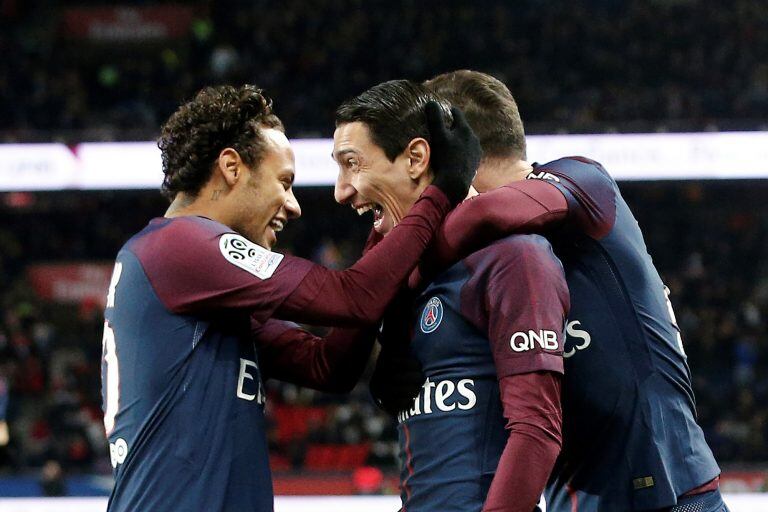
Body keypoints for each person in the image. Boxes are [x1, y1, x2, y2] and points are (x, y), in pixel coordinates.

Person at [100, 84, 479, 512]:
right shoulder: (182, 245)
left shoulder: (202, 287)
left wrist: (382, 242)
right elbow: (352, 297)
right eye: (284, 182)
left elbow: (328, 367)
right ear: (231, 167)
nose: (294, 205)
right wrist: (442, 190)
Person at [382, 69, 725, 512]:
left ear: (454, 150)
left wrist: (400, 264)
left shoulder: (582, 181)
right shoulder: (490, 261)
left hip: (670, 495)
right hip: (575, 499)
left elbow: (485, 214)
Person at [333, 79, 570, 512]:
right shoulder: (407, 280)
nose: (341, 190)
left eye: (353, 164)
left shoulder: (514, 258)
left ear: (416, 158)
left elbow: (536, 433)